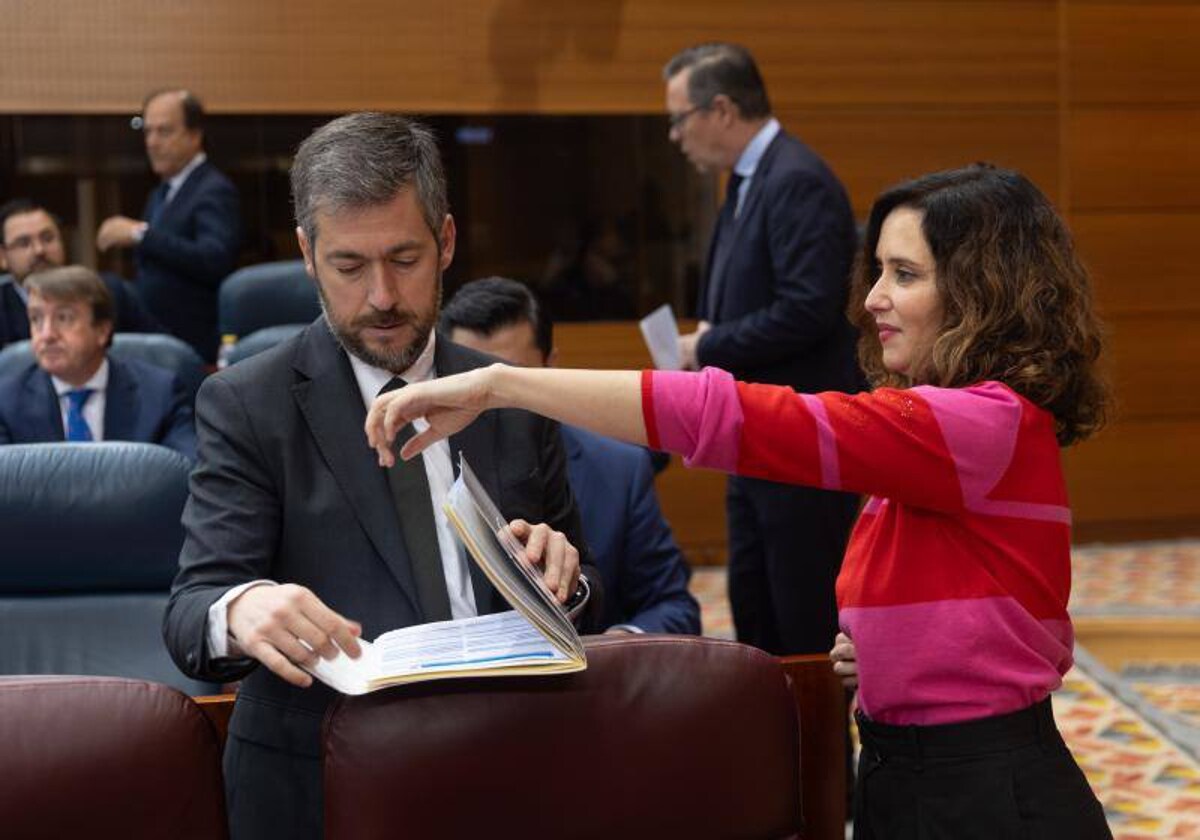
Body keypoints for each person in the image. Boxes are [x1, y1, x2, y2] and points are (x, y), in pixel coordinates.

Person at [366, 164, 1113, 838]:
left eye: (905, 274)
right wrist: (886, 655)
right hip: (908, 774)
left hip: (983, 793)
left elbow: (743, 420)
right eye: (879, 270)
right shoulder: (944, 439)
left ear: (981, 293)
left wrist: (501, 385)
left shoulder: (982, 423)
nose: (875, 298)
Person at [162, 113, 599, 840]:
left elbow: (589, 582)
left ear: (448, 241)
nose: (382, 297)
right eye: (349, 266)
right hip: (322, 780)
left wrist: (568, 578)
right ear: (306, 253)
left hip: (514, 765)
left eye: (404, 258)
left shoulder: (509, 393)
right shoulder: (246, 403)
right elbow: (190, 610)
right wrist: (241, 608)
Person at [664, 42, 863, 656]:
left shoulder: (796, 179)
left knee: (802, 618)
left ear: (721, 109)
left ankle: (823, 755)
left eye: (678, 119)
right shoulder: (749, 182)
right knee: (758, 615)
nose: (675, 136)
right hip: (754, 437)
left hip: (799, 443)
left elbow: (810, 307)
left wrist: (710, 343)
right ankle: (777, 749)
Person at [441, 276, 700, 635]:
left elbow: (674, 606)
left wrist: (619, 646)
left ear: (551, 367)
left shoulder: (619, 469)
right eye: (473, 385)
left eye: (513, 383)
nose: (492, 401)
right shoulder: (427, 467)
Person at [96, 89, 240, 362]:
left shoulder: (213, 189)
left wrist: (140, 234)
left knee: (111, 289)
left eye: (163, 132)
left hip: (189, 338)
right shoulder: (161, 192)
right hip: (157, 331)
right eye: (147, 132)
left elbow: (214, 258)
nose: (152, 142)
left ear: (194, 135)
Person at [0, 265, 195, 460]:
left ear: (102, 331)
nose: (47, 334)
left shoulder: (160, 394)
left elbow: (187, 473)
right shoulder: (6, 404)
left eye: (63, 318)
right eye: (36, 319)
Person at [0, 198, 162, 347]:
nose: (39, 250)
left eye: (48, 238)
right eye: (23, 243)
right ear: (2, 257)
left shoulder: (110, 292)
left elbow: (160, 353)